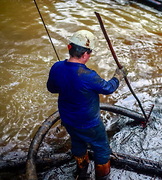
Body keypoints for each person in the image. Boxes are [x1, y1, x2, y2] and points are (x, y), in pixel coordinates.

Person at [47, 30, 126, 179]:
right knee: (102, 148)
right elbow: (108, 88)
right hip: (89, 123)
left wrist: (67, 85)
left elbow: (52, 88)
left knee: (77, 141)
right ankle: (102, 177)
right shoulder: (88, 75)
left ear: (69, 48)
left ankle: (81, 171)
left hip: (68, 119)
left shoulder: (57, 67)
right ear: (85, 55)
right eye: (90, 53)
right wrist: (118, 76)